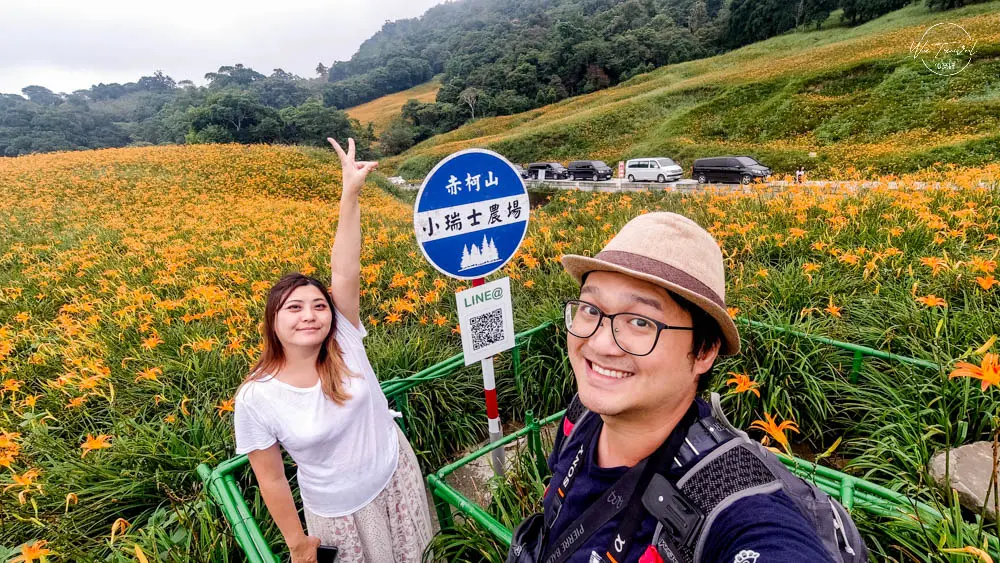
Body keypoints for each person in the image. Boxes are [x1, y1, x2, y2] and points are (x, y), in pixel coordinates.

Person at [510, 212, 844, 563]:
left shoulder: (731, 504)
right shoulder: (582, 413)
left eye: (640, 322)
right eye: (591, 310)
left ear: (704, 351)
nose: (600, 343)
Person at [233, 138, 432, 563]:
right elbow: (271, 480)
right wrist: (297, 544)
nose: (310, 315)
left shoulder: (343, 338)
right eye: (294, 308)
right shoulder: (256, 397)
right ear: (272, 321)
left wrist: (350, 193)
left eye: (319, 306)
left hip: (395, 473)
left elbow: (345, 268)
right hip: (340, 514)